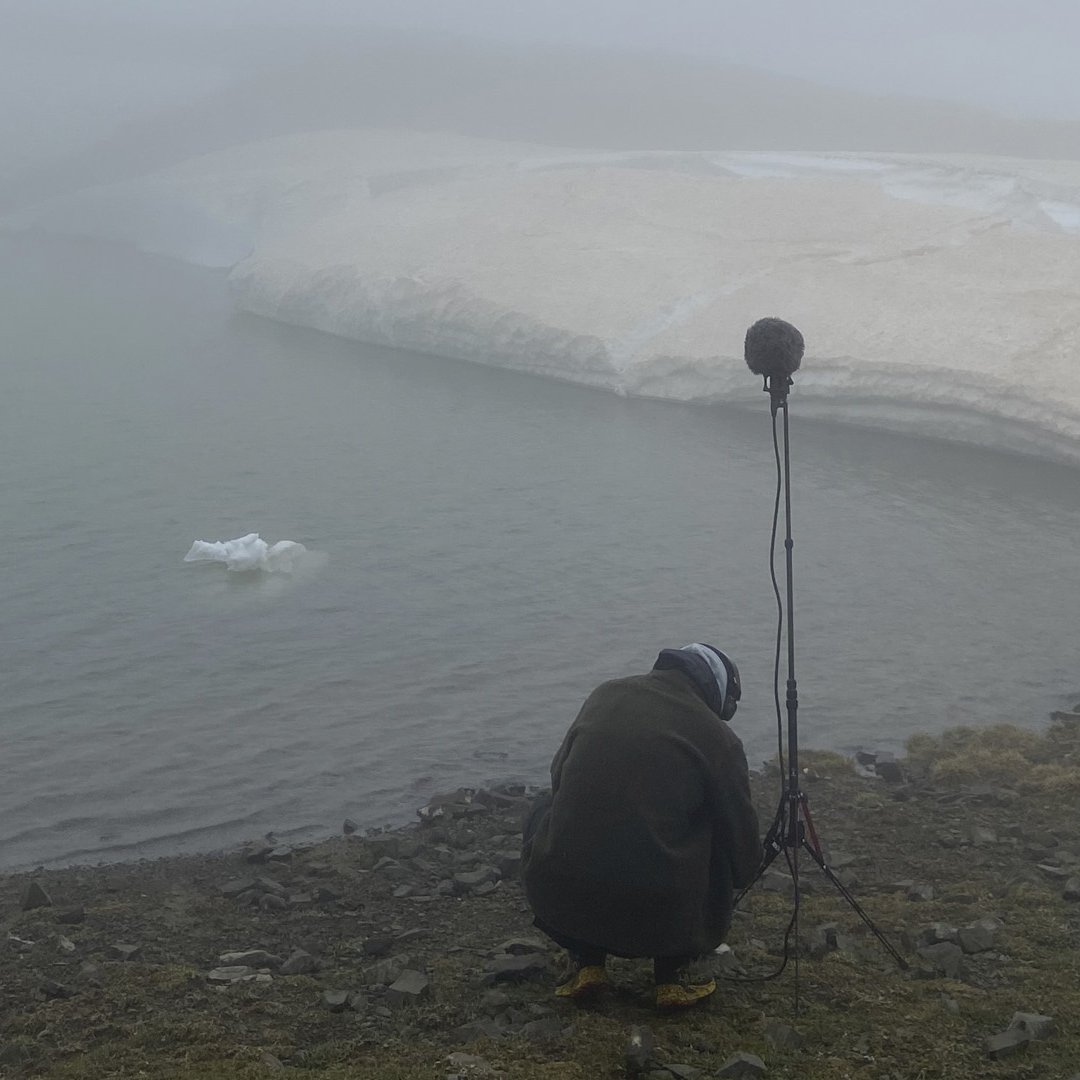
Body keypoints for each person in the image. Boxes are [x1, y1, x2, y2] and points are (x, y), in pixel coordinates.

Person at [521, 643, 761, 1010]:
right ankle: (671, 978)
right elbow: (742, 846)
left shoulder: (605, 694)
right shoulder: (718, 736)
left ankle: (589, 965)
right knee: (710, 832)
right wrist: (739, 871)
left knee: (544, 808)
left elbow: (559, 777)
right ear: (718, 695)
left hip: (564, 899)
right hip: (659, 917)